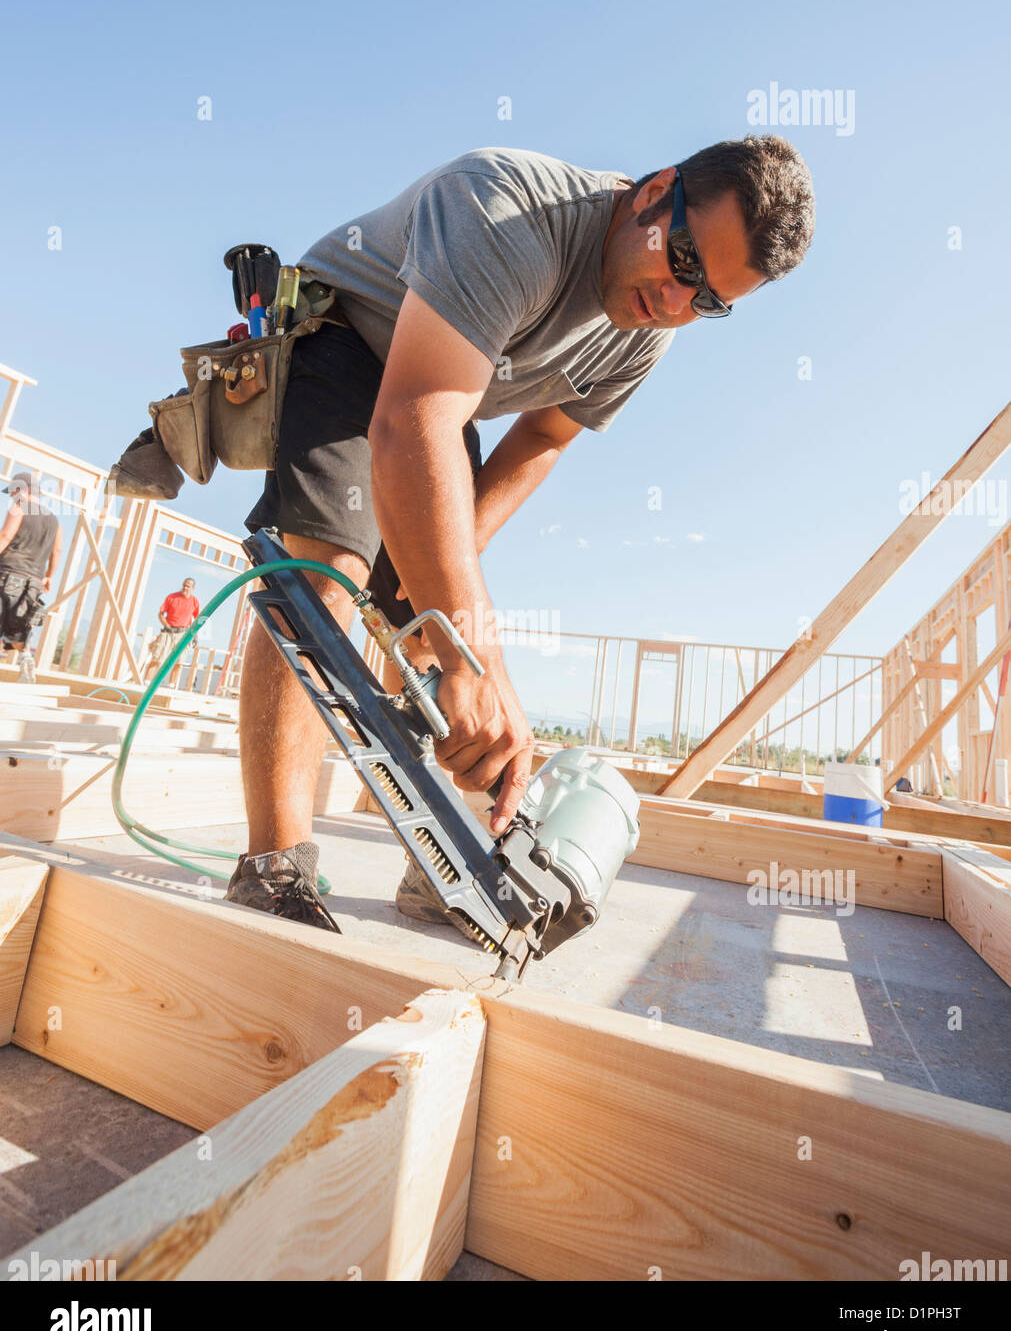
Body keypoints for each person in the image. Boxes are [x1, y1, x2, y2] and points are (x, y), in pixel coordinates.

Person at [227, 138, 816, 932]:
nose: (677, 302)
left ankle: (452, 864)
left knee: (430, 633)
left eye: (708, 300)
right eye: (682, 261)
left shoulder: (648, 327)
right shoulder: (506, 208)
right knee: (327, 572)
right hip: (352, 338)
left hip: (448, 397)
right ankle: (275, 864)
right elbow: (410, 418)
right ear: (656, 191)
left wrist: (440, 586)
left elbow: (541, 439)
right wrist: (476, 645)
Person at [0, 471, 61, 684]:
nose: (11, 496)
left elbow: (5, 536)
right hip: (34, 580)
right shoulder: (54, 520)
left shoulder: (19, 508)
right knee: (18, 625)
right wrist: (49, 577)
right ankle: (25, 656)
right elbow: (57, 552)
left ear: (22, 490)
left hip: (9, 573)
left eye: (13, 492)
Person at [145, 577, 200, 683]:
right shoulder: (172, 597)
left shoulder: (194, 601)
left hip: (183, 632)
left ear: (193, 588)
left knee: (179, 661)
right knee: (157, 658)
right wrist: (166, 625)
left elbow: (197, 619)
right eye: (184, 585)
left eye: (188, 586)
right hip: (168, 631)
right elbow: (161, 614)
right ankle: (146, 682)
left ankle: (171, 685)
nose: (185, 587)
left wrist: (195, 635)